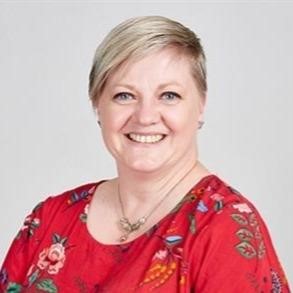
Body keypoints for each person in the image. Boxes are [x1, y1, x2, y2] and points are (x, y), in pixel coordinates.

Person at [0, 16, 290, 293]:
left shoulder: (223, 228)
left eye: (169, 95)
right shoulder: (50, 220)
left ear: (200, 104)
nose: (146, 116)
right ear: (97, 105)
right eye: (124, 95)